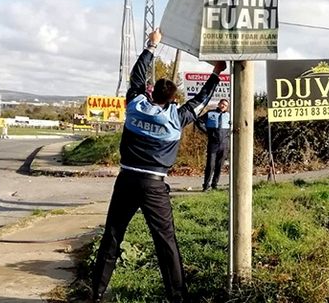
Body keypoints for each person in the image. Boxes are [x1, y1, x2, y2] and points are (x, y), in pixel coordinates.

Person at [91, 28, 226, 303]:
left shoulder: (135, 105)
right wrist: (216, 73)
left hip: (126, 180)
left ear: (151, 93)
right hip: (154, 185)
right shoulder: (177, 117)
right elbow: (200, 101)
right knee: (166, 242)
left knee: (113, 236)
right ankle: (177, 297)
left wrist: (152, 47)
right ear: (172, 98)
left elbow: (137, 77)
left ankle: (96, 291)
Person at [196, 98, 231, 191]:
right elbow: (198, 121)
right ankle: (206, 185)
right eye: (222, 104)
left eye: (226, 105)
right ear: (219, 104)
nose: (223, 106)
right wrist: (207, 131)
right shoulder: (210, 113)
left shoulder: (229, 115)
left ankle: (214, 184)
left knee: (219, 166)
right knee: (210, 165)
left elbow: (235, 126)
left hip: (224, 144)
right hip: (213, 143)